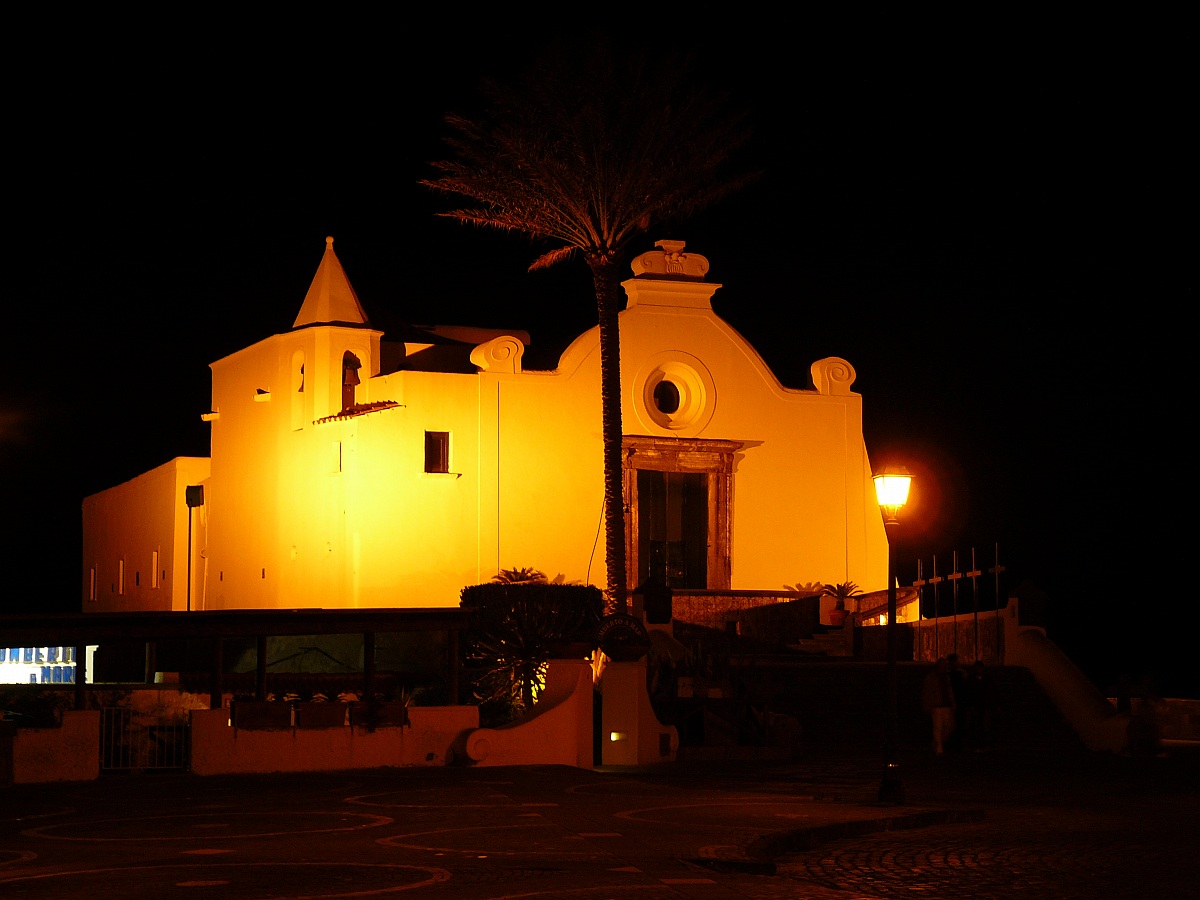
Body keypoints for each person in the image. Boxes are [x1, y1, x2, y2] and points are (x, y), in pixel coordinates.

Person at [922, 657, 956, 755]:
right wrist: (928, 705)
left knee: (949, 727)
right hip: (936, 705)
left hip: (946, 705)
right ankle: (938, 748)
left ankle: (936, 744)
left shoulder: (946, 677)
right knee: (938, 727)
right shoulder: (931, 678)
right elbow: (927, 692)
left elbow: (949, 690)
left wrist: (952, 702)